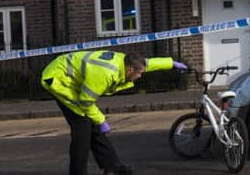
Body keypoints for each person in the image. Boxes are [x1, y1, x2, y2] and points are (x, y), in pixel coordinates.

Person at [41, 50, 187, 175]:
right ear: (130, 70)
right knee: (82, 129)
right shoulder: (104, 74)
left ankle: (111, 166)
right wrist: (101, 120)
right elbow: (85, 102)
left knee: (92, 128)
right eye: (139, 74)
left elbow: (147, 64)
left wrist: (171, 63)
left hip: (71, 76)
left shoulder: (125, 61)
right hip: (58, 79)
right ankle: (78, 172)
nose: (140, 76)